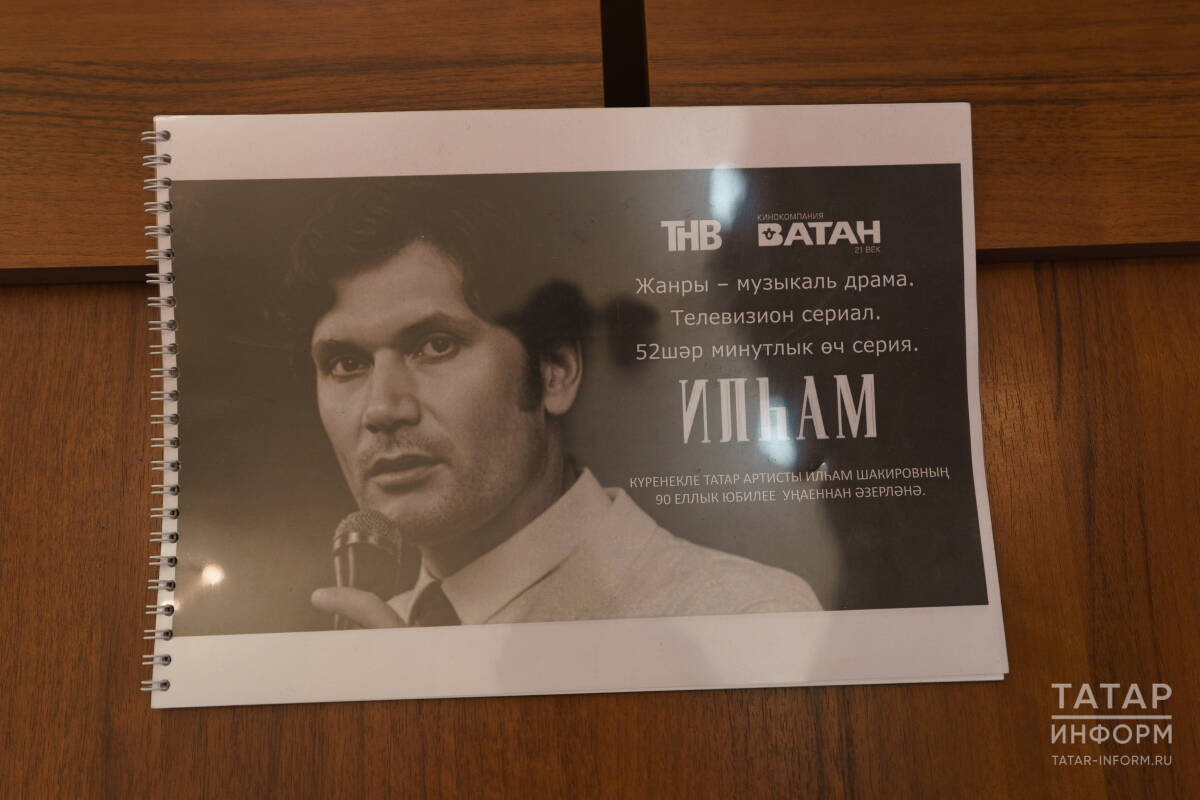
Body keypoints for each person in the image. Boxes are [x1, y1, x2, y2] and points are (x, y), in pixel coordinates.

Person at [285, 183, 821, 628]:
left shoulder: (744, 614)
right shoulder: (367, 645)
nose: (382, 409)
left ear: (554, 371)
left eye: (436, 346)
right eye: (346, 364)